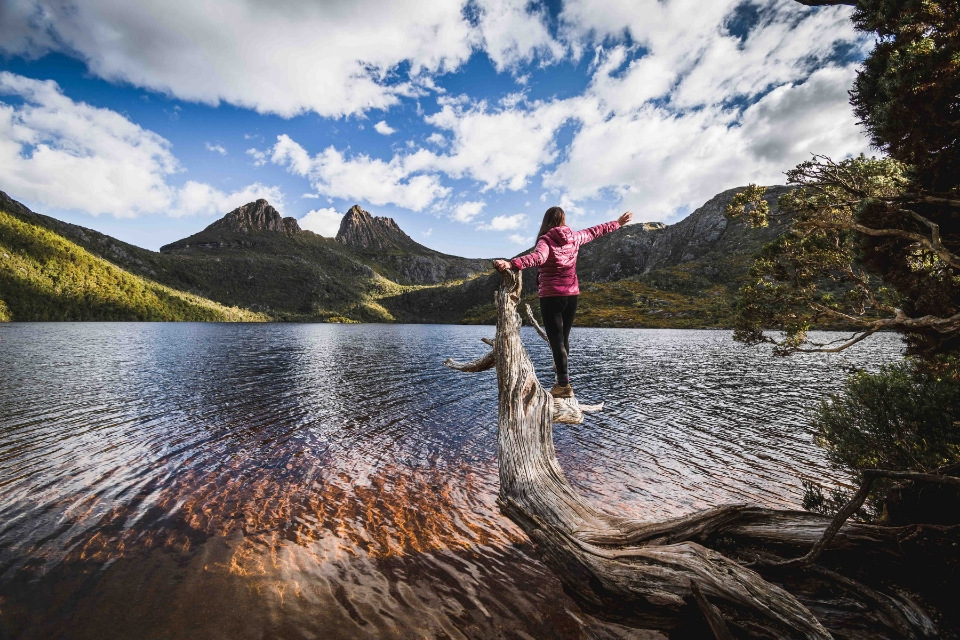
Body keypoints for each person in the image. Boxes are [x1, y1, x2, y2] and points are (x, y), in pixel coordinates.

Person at [494, 207, 633, 398]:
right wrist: (617, 223)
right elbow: (595, 231)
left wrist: (511, 264)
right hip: (571, 295)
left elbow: (538, 258)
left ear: (546, 221)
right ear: (563, 220)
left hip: (551, 295)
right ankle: (562, 375)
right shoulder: (574, 237)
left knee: (556, 340)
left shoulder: (546, 240)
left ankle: (563, 385)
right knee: (563, 338)